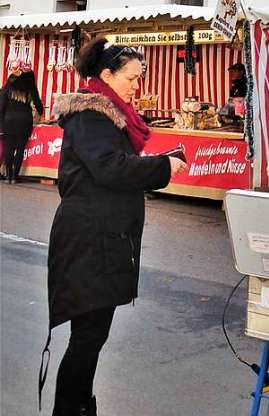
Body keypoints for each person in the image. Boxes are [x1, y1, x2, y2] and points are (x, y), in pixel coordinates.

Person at [43, 38, 187, 416]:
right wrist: (161, 168)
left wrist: (157, 161)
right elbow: (111, 168)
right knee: (88, 337)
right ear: (106, 75)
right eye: (132, 78)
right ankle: (71, 410)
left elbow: (114, 161)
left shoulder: (106, 112)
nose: (136, 87)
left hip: (100, 238)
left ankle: (79, 407)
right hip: (90, 241)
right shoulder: (92, 114)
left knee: (91, 336)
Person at [0, 60, 44, 182]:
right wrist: (41, 113)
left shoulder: (9, 85)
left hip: (9, 120)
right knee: (20, 149)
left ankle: (8, 175)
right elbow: (38, 103)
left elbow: (1, 105)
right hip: (25, 121)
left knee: (9, 148)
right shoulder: (30, 87)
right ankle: (15, 176)